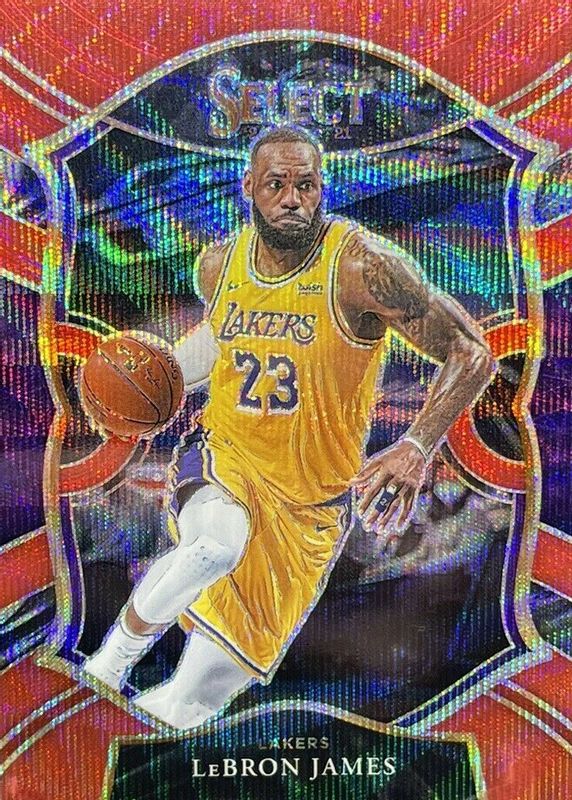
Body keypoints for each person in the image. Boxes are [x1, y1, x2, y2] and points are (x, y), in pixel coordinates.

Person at [82, 125, 494, 729]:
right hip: (227, 459)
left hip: (310, 509)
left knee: (186, 707)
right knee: (214, 545)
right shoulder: (218, 265)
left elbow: (471, 352)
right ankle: (104, 669)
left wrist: (415, 445)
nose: (292, 199)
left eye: (305, 185)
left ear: (322, 188)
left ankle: (106, 731)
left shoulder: (363, 267)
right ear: (249, 187)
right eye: (276, 184)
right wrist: (143, 388)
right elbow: (221, 343)